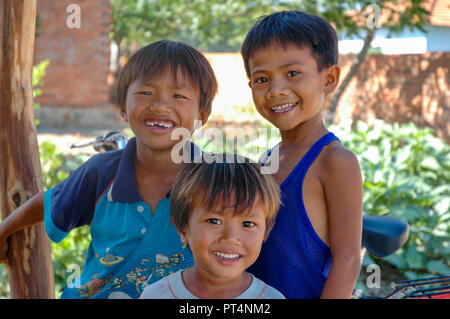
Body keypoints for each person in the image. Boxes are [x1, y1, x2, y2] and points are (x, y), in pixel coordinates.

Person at [0, 40, 218, 299]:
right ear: (123, 107)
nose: (160, 105)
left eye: (179, 96)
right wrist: (4, 229)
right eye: (146, 93)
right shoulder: (102, 173)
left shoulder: (215, 181)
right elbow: (48, 202)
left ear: (202, 114)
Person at [241, 11, 363, 299]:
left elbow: (348, 259)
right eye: (261, 79)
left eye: (292, 74)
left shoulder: (335, 162)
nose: (275, 90)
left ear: (329, 78)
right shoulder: (266, 162)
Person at [140, 154, 285, 299]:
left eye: (248, 224)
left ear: (266, 231)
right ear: (183, 228)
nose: (230, 237)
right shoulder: (156, 295)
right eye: (214, 221)